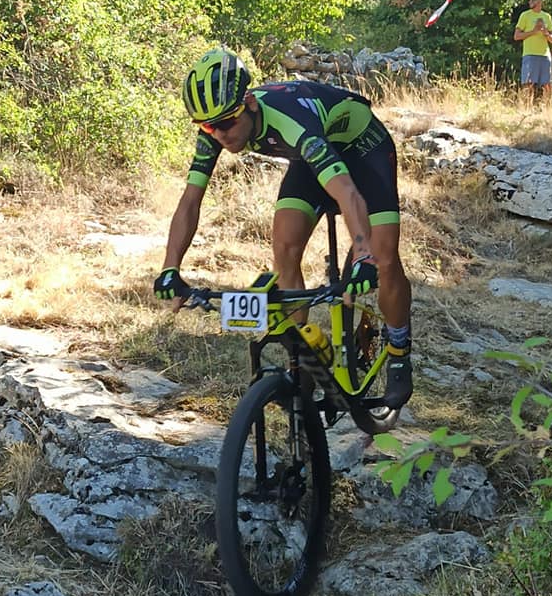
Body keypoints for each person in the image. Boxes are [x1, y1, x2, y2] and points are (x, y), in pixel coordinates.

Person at [153, 46, 413, 409]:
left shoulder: (290, 121)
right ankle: (299, 357)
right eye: (208, 126)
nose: (219, 134)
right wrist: (170, 268)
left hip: (361, 149)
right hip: (309, 157)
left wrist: (364, 254)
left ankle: (399, 346)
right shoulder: (217, 126)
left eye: (226, 123)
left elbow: (347, 191)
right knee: (285, 249)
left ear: (249, 104)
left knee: (384, 259)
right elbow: (190, 201)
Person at [513, 0, 552, 100]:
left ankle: (547, 107)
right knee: (528, 84)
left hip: (545, 55)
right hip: (530, 54)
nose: (530, 2)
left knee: (547, 84)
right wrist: (533, 31)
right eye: (529, 0)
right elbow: (516, 36)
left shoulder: (547, 16)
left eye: (532, 0)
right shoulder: (525, 15)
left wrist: (545, 32)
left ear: (539, 1)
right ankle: (527, 107)